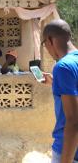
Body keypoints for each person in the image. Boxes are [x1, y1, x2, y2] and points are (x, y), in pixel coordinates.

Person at [41, 19, 78, 163]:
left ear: (50, 40)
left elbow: (74, 121)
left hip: (68, 150)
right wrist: (55, 83)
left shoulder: (63, 67)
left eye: (44, 44)